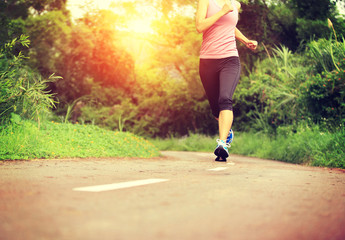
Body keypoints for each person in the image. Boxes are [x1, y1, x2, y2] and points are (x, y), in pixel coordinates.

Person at [195, 0, 257, 161]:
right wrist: (222, 11)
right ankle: (227, 131)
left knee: (225, 99)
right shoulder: (206, 2)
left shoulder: (235, 4)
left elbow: (229, 26)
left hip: (230, 59)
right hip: (208, 61)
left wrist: (246, 40)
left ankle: (222, 144)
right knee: (216, 109)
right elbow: (199, 26)